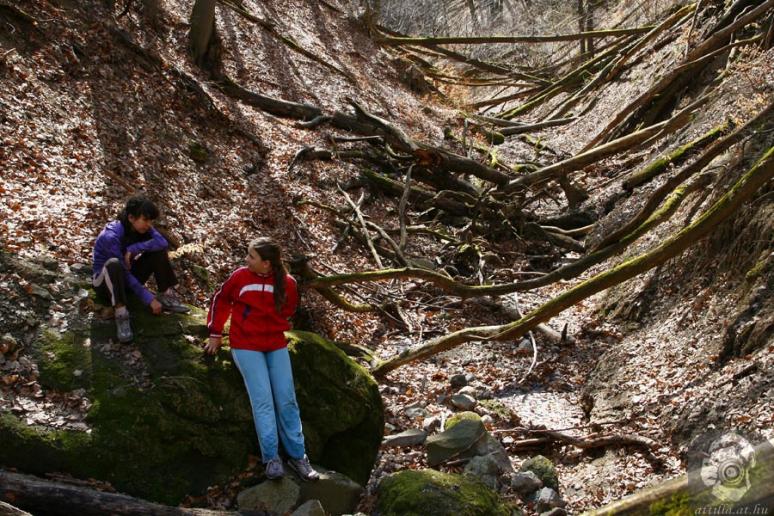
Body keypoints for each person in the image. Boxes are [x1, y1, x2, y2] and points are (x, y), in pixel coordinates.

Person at [204, 237, 319, 481]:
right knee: (263, 400)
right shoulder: (240, 277)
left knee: (287, 399)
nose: (246, 260)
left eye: (251, 256)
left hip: (275, 343)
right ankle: (272, 459)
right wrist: (215, 333)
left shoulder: (287, 283)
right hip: (245, 344)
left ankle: (298, 456)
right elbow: (221, 300)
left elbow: (289, 310)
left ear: (266, 264)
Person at [92, 195, 190, 343]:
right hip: (105, 285)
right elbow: (122, 272)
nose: (149, 224)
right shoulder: (111, 236)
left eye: (151, 221)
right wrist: (148, 299)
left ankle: (165, 294)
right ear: (131, 217)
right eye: (145, 220)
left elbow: (162, 243)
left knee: (158, 252)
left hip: (126, 280)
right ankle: (120, 313)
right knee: (114, 264)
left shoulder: (141, 229)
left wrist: (134, 247)